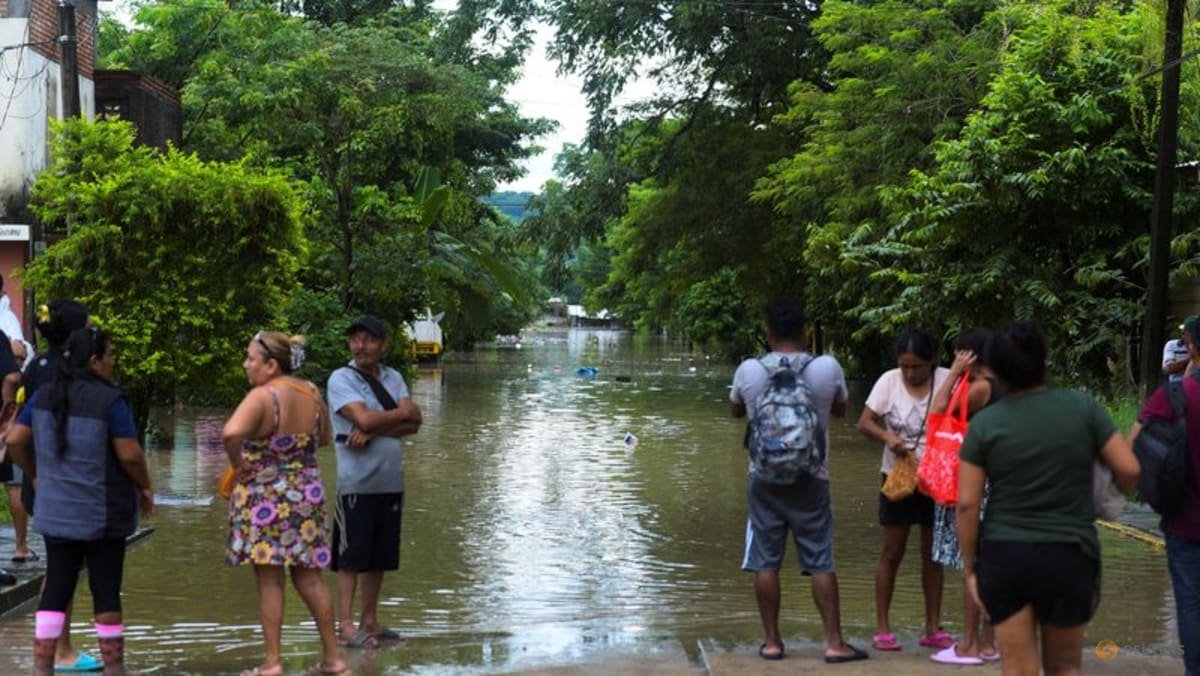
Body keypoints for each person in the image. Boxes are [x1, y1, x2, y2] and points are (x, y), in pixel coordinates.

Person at [958, 322, 1138, 676]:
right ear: (1043, 361)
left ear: (994, 370)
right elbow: (1129, 470)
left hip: (1005, 555)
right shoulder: (1081, 407)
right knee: (1066, 667)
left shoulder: (984, 424)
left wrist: (970, 569)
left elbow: (967, 504)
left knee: (1019, 669)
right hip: (1070, 552)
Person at [6, 327, 154, 676]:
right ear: (94, 361)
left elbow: (14, 440)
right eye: (111, 355)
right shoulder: (109, 400)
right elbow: (130, 453)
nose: (113, 361)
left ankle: (43, 668)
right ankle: (115, 668)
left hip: (56, 511)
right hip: (101, 511)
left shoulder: (44, 396)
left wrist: (35, 473)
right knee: (105, 589)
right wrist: (145, 487)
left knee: (56, 588)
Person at [729, 298, 867, 664]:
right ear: (806, 333)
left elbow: (735, 410)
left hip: (763, 478)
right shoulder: (827, 367)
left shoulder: (749, 370)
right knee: (820, 558)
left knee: (765, 560)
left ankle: (772, 643)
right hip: (812, 476)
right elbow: (840, 409)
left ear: (767, 332)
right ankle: (835, 643)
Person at [222, 331, 346, 676]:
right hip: (306, 493)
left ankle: (273, 663)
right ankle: (334, 659)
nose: (246, 364)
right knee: (311, 579)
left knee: (270, 581)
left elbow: (231, 433)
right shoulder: (311, 392)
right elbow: (321, 439)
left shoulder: (262, 396)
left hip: (266, 496)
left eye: (251, 358)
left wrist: (239, 463)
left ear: (271, 365)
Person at [327, 316, 422, 648]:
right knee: (350, 559)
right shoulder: (341, 378)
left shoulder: (393, 376)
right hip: (356, 483)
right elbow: (380, 417)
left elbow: (416, 422)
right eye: (355, 339)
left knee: (379, 557)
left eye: (368, 340)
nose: (360, 346)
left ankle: (370, 620)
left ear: (383, 345)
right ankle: (346, 626)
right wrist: (389, 417)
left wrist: (373, 427)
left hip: (390, 482)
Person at [857, 330, 952, 651]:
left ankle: (932, 627)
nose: (910, 373)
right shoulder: (888, 381)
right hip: (897, 476)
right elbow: (865, 421)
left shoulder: (948, 380)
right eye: (905, 367)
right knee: (891, 552)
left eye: (917, 367)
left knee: (933, 555)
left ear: (933, 362)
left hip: (937, 478)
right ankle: (883, 628)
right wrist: (888, 439)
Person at [15, 300, 96, 670]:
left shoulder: (38, 365)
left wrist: (32, 474)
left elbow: (20, 434)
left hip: (45, 480)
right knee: (62, 570)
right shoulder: (61, 371)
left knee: (60, 566)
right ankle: (58, 652)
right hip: (57, 483)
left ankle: (53, 649)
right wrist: (36, 475)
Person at [926, 328, 999, 665]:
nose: (953, 360)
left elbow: (937, 412)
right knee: (985, 566)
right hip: (992, 481)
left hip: (972, 485)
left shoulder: (980, 387)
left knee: (972, 566)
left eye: (957, 354)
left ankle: (970, 645)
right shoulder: (998, 384)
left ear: (968, 355)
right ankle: (987, 643)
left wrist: (954, 373)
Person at [1136, 317, 1200, 676]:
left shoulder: (1175, 397)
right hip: (1183, 524)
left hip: (1185, 522)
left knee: (1191, 606)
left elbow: (1134, 450)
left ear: (1192, 346)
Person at [1164, 317, 1197, 381]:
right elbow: (1168, 368)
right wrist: (1194, 358)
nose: (1183, 334)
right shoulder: (1172, 345)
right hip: (1176, 386)